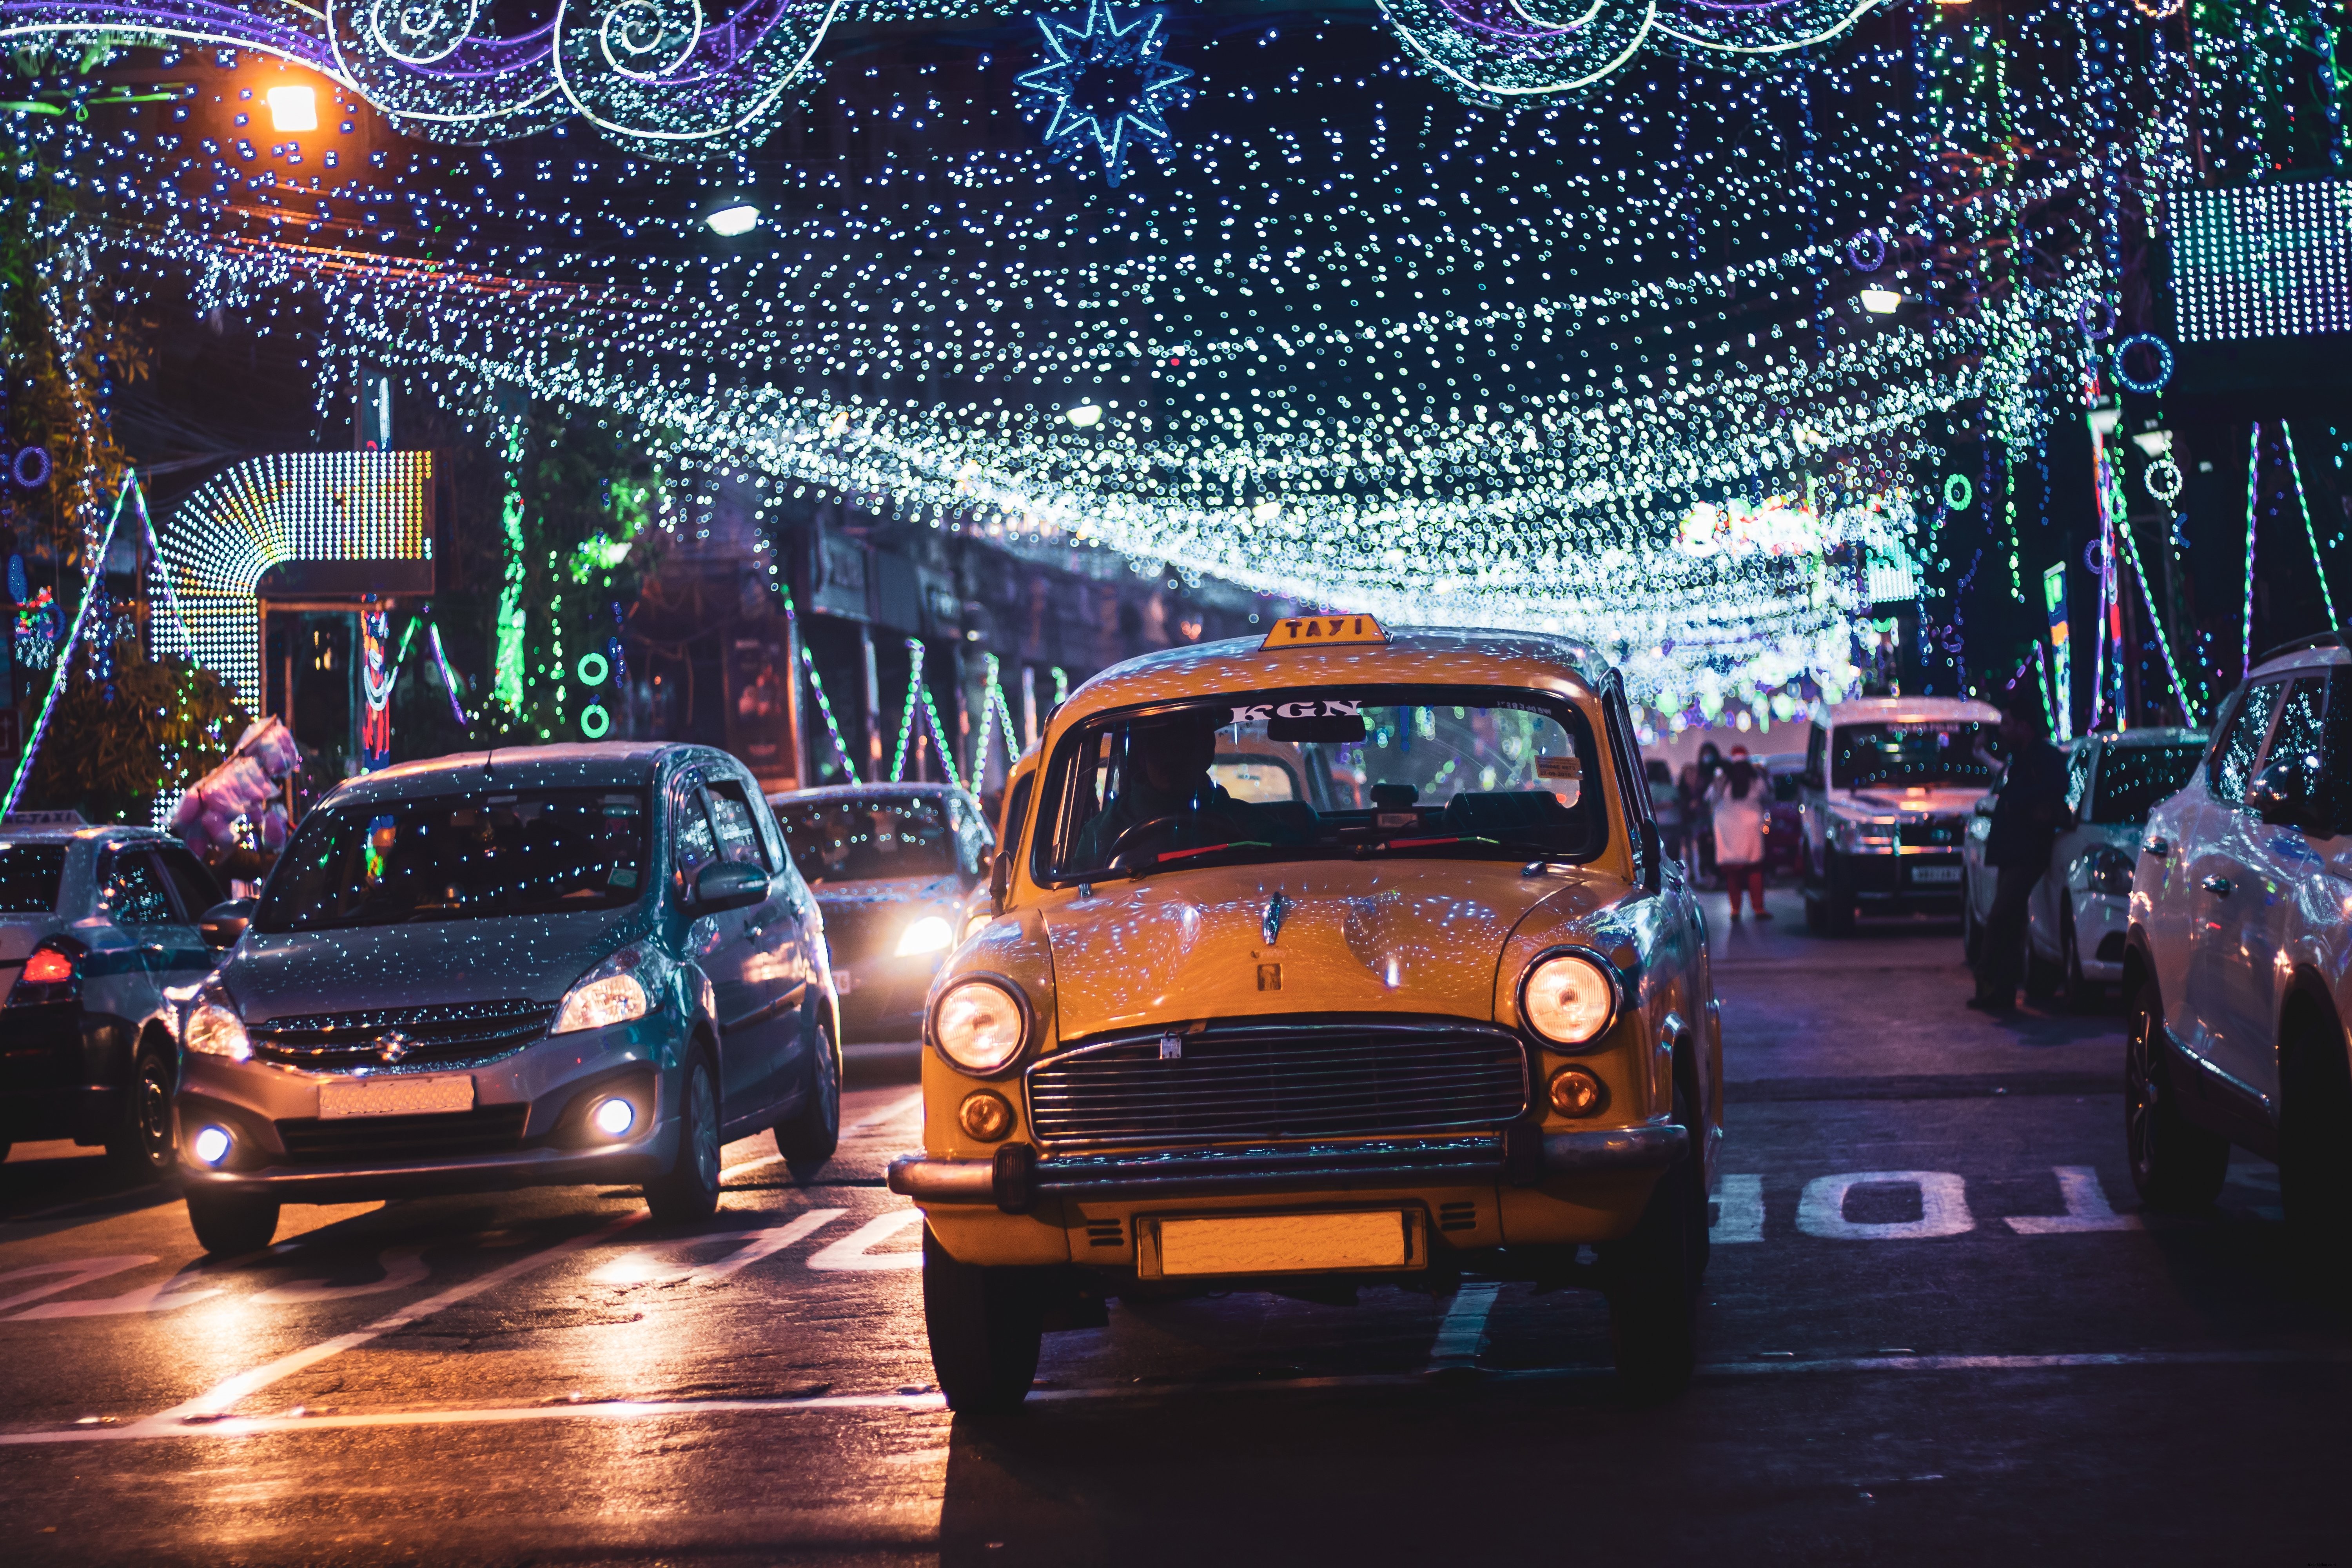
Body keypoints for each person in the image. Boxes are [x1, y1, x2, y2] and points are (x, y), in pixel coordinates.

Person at [1970, 695, 2070, 1014]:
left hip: (2027, 853)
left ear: (2024, 727)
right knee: (2009, 923)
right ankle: (1999, 992)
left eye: (2008, 724)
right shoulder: (2022, 759)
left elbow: (2056, 790)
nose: (2003, 730)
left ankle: (1991, 983)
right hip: (2014, 852)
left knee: (2001, 918)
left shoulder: (2044, 759)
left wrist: (2018, 804)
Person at [1071, 711, 1252, 867]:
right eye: (1159, 747)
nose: (1171, 760)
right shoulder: (1100, 834)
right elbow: (1078, 899)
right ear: (1143, 756)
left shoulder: (1247, 821)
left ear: (1206, 752)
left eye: (1183, 747)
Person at [1710, 748, 1770, 921]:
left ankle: (1735, 910)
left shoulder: (1723, 781)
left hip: (1726, 826)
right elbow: (1767, 797)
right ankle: (1758, 908)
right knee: (1754, 868)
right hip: (1751, 827)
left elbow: (1713, 799)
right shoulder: (1757, 780)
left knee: (1733, 872)